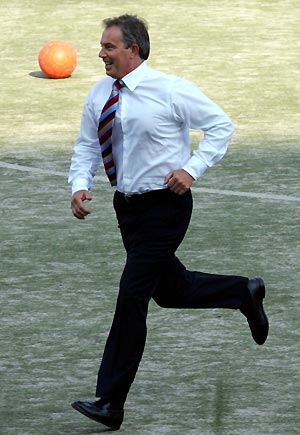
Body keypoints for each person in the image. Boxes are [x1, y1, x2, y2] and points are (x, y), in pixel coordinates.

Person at [68, 14, 269, 431]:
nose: (100, 53)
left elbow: (221, 126)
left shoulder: (171, 90)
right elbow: (88, 143)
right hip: (129, 210)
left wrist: (192, 169)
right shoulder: (99, 93)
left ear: (133, 50)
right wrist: (79, 185)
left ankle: (110, 401)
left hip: (166, 207)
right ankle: (243, 292)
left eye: (108, 47)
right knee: (170, 291)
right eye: (102, 46)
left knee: (132, 296)